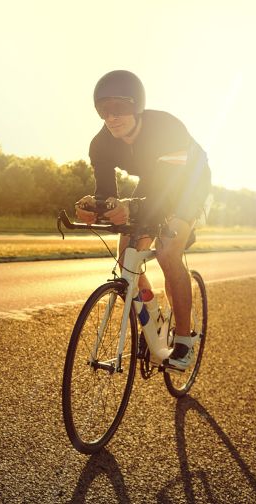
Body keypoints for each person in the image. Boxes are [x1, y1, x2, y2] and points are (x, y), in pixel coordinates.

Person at [75, 70, 212, 371]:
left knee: (167, 249)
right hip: (155, 182)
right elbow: (107, 194)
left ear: (137, 106)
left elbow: (169, 192)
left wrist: (132, 208)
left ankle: (184, 341)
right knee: (126, 255)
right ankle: (153, 319)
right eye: (103, 110)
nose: (111, 117)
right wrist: (93, 208)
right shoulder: (101, 145)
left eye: (119, 108)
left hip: (188, 183)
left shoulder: (167, 128)